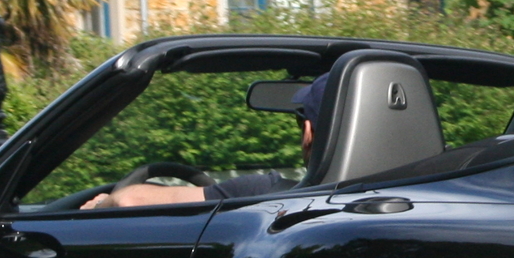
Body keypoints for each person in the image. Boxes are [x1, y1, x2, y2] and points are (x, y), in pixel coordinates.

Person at [83, 70, 333, 209]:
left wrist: (103, 203)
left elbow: (130, 201)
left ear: (308, 132)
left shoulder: (265, 193)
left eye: (299, 122)